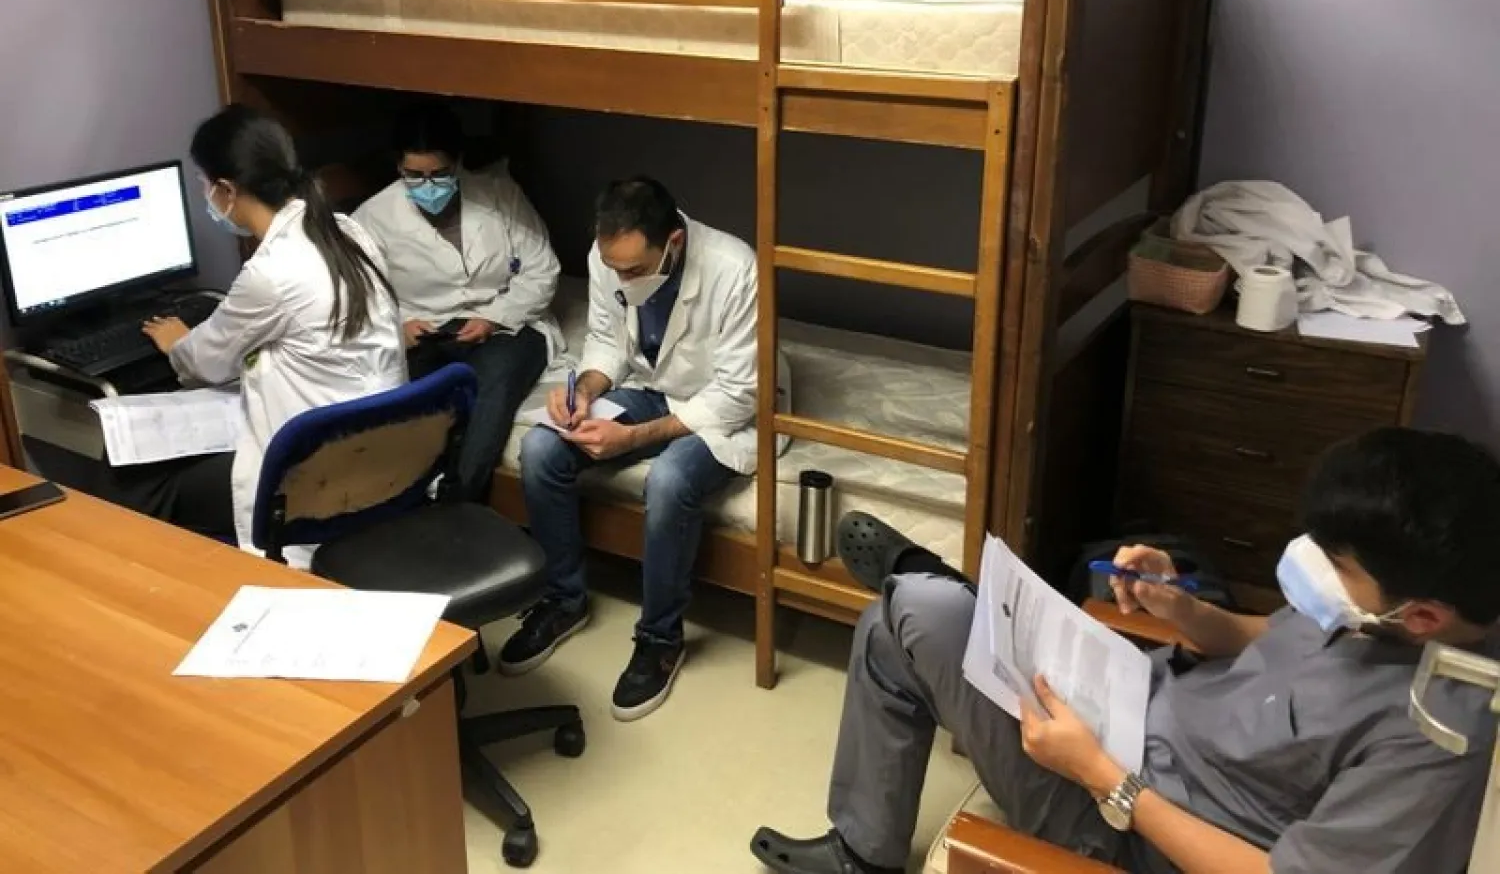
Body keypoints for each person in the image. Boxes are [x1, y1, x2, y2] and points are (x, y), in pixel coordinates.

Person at [751, 427, 1500, 874]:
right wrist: (1184, 608)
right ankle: (863, 850)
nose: (1312, 568)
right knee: (890, 629)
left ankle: (939, 586)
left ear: (1427, 615)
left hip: (1129, 818)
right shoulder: (1378, 610)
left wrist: (1103, 777)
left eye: (1336, 564)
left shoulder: (1432, 736)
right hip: (1132, 701)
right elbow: (1269, 642)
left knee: (915, 610)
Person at [500, 177, 757, 722]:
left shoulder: (734, 267)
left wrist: (636, 437)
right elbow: (605, 339)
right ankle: (564, 599)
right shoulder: (608, 254)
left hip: (717, 406)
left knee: (668, 482)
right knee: (543, 450)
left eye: (636, 271)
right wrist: (585, 390)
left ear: (674, 242)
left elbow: (737, 393)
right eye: (615, 269)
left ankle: (660, 638)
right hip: (647, 384)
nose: (624, 279)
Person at [137, 105, 405, 566]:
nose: (206, 195)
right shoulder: (347, 231)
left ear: (227, 189)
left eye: (204, 183)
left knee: (142, 482)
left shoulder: (272, 272)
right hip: (377, 455)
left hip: (315, 477)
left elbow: (202, 364)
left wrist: (176, 339)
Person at [354, 106, 559, 503]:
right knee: (400, 389)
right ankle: (393, 494)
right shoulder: (373, 217)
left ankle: (457, 496)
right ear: (398, 166)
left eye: (439, 174)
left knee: (493, 381)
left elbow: (542, 270)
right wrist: (402, 325)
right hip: (427, 330)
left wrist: (493, 318)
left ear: (458, 163)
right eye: (415, 175)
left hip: (505, 323)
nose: (428, 185)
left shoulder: (498, 195)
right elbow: (364, 296)